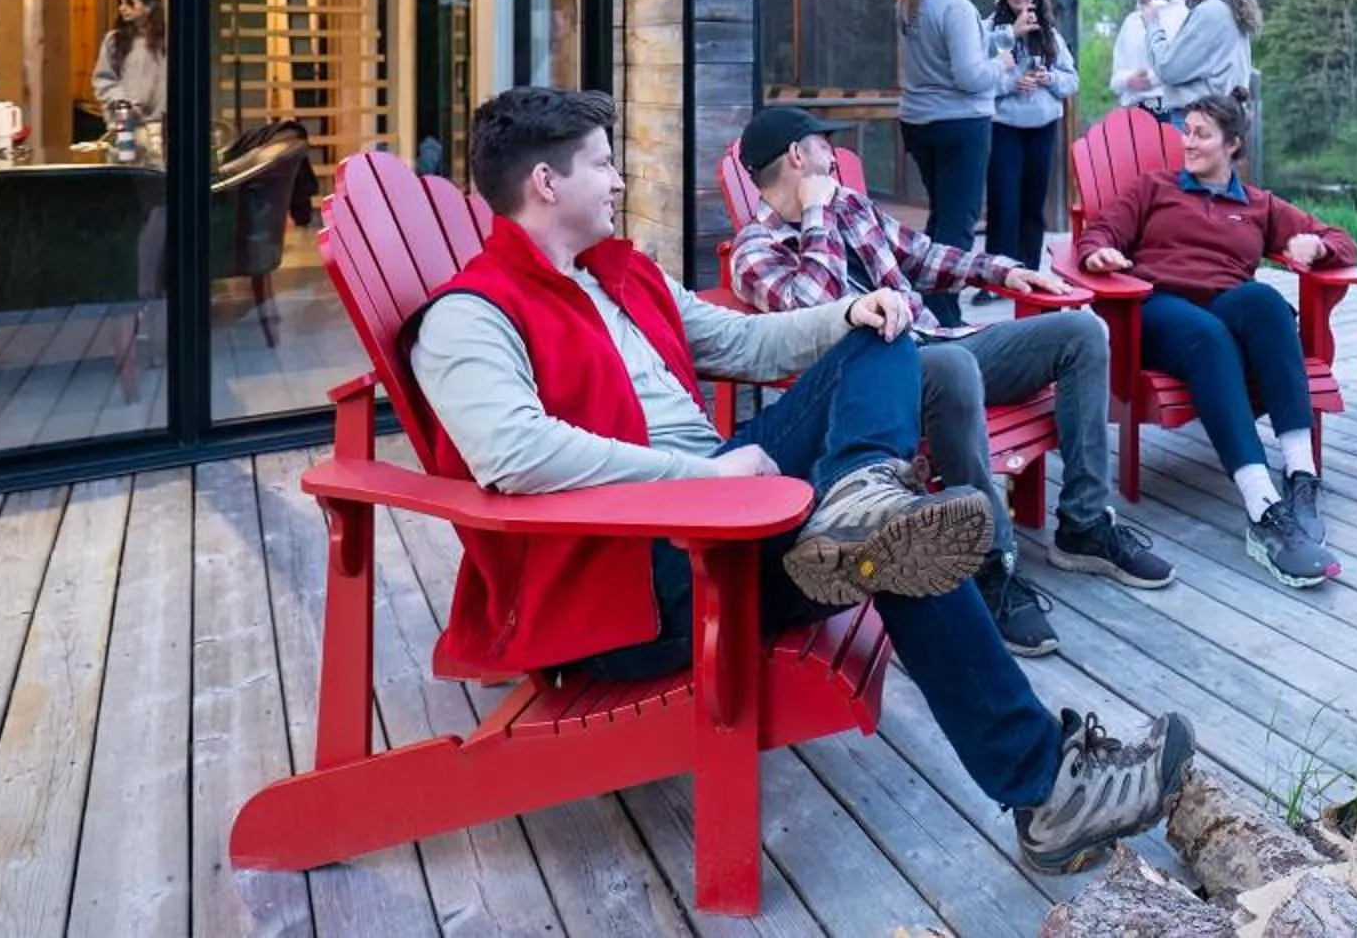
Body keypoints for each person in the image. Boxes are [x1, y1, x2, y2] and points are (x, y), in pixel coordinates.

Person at [408, 88, 1193, 872]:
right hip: (641, 573)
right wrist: (699, 474)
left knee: (884, 343)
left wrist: (853, 313)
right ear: (546, 183)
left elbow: (747, 342)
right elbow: (515, 454)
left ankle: (862, 499)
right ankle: (1046, 788)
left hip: (721, 517)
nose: (618, 182)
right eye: (603, 165)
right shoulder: (470, 316)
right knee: (894, 544)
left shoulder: (618, 275)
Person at [732, 106, 1171, 660]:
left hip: (941, 343)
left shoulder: (851, 206)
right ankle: (992, 567)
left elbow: (923, 256)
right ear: (798, 156)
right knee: (954, 366)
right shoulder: (755, 253)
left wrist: (1003, 271)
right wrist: (816, 214)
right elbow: (820, 310)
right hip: (878, 390)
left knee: (1082, 331)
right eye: (826, 146)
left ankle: (1084, 524)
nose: (838, 159)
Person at [1074, 95, 1357, 589]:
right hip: (1156, 308)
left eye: (1202, 133)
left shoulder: (1258, 204)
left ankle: (1300, 476)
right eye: (1187, 131)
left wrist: (1320, 245)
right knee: (1209, 336)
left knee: (1266, 302)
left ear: (1232, 144)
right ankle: (1262, 507)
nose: (1189, 142)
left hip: (1224, 305)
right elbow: (1100, 232)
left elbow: (1341, 240)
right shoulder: (1153, 188)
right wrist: (1099, 255)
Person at [897, 0, 1019, 328]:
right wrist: (1003, 66)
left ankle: (923, 300)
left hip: (917, 122)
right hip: (961, 125)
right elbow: (971, 76)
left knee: (941, 215)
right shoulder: (956, 6)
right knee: (958, 223)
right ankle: (944, 314)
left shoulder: (909, 3)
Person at [984, 0, 1078, 271]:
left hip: (1042, 128)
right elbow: (977, 80)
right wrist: (1012, 83)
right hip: (1004, 127)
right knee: (1004, 202)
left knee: (1033, 204)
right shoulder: (989, 31)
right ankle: (997, 274)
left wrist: (1048, 78)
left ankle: (1029, 270)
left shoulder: (1049, 35)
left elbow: (1071, 81)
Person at [1145, 0, 1260, 130]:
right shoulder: (1228, 8)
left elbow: (1168, 68)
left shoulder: (1210, 12)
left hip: (1199, 121)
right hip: (1221, 117)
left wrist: (1153, 25)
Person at [1109, 0, 1185, 113]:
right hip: (1134, 114)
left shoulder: (1179, 16)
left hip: (1171, 112)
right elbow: (1115, 79)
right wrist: (1129, 80)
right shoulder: (1130, 23)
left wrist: (1151, 78)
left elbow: (1183, 66)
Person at [92, 0, 168, 122]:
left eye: (129, 3)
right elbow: (104, 79)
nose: (122, 8)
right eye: (120, 4)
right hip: (126, 121)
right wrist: (122, 103)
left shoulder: (168, 39)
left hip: (164, 122)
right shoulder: (114, 40)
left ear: (149, 6)